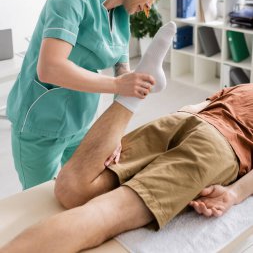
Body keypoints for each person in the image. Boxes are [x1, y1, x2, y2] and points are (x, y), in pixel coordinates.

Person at [2, 76, 253, 252]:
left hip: (180, 120)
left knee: (72, 190)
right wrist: (233, 193)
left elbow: (193, 107)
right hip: (221, 143)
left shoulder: (243, 86)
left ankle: (125, 104)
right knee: (105, 213)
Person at [6, 0, 172, 190]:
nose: (149, 5)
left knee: (79, 190)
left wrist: (111, 133)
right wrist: (117, 85)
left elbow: (122, 70)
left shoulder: (122, 15)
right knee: (39, 201)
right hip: (39, 122)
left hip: (82, 121)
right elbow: (50, 68)